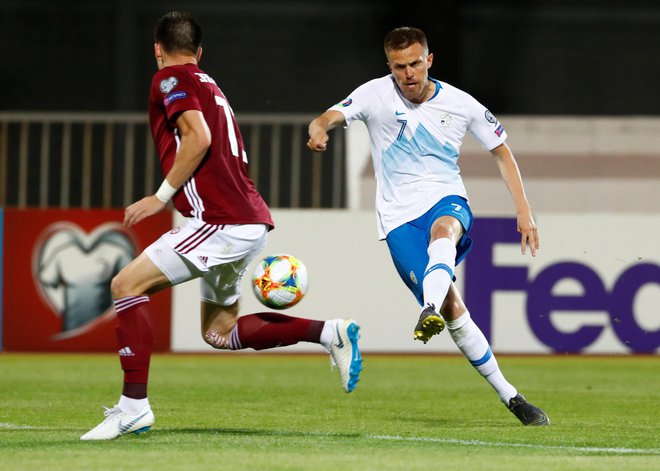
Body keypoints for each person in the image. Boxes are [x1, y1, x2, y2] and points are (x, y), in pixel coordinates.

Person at [81, 11, 362, 441]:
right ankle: (329, 332)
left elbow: (198, 138)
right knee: (219, 332)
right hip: (244, 220)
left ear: (157, 49)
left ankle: (133, 408)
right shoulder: (210, 84)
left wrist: (158, 198)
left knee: (125, 285)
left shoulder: (169, 80)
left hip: (219, 220)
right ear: (199, 51)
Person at [307, 27, 548, 426]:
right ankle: (510, 394)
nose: (408, 74)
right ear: (390, 66)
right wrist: (318, 129)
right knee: (456, 312)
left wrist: (524, 210)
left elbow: (502, 152)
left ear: (429, 60)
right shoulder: (373, 93)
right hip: (398, 219)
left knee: (445, 232)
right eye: (399, 66)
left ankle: (428, 309)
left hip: (445, 198)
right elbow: (328, 116)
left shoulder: (461, 103)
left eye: (415, 63)